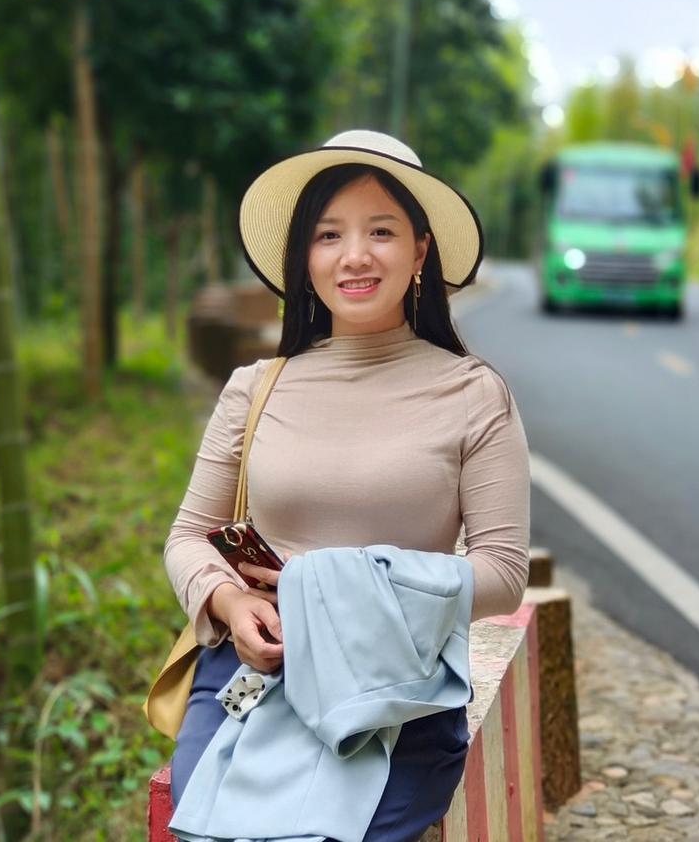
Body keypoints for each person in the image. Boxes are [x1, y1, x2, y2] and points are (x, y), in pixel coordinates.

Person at [164, 130, 530, 840]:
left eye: (381, 231)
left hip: (399, 690)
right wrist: (233, 603)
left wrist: (343, 587)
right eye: (329, 234)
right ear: (305, 257)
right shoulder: (255, 389)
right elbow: (186, 537)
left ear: (420, 250)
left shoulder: (474, 393)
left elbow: (504, 573)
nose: (355, 255)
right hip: (260, 671)